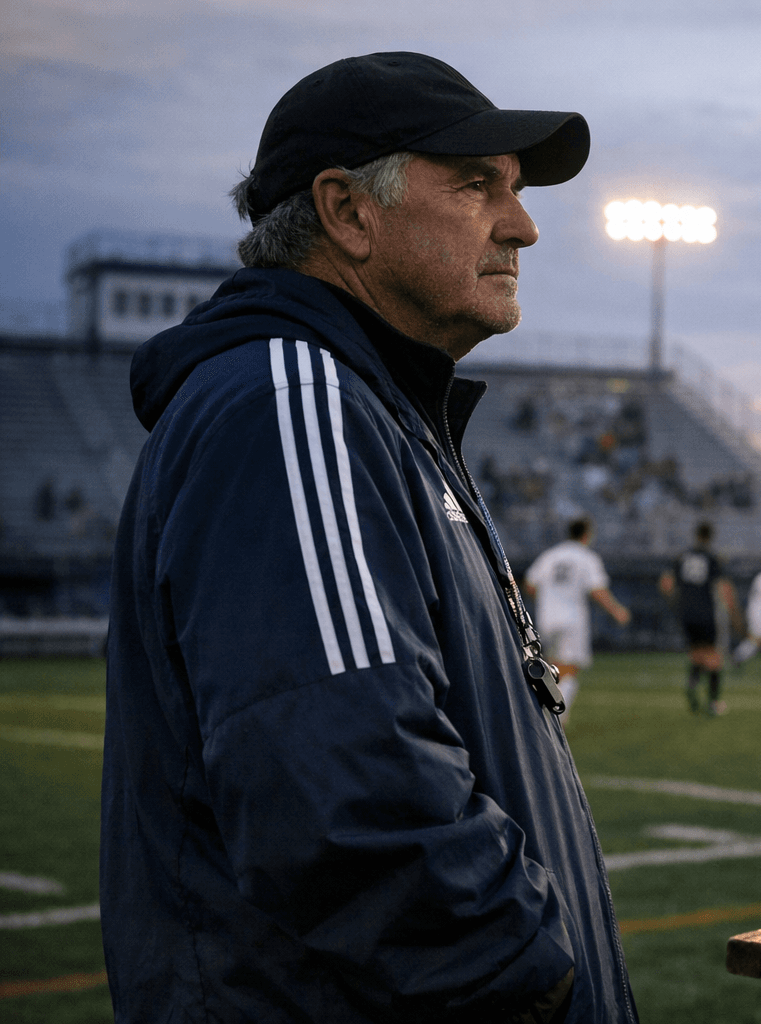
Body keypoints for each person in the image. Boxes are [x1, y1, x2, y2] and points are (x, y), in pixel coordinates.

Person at [101, 53, 637, 1022]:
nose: (523, 224)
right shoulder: (288, 403)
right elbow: (349, 796)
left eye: (513, 190)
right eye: (478, 185)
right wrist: (530, 977)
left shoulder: (370, 410)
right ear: (348, 212)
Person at [524, 516, 631, 723]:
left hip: (547, 618)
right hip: (572, 619)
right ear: (586, 534)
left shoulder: (550, 555)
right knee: (570, 670)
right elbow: (598, 590)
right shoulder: (586, 557)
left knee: (553, 667)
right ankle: (556, 718)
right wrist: (617, 611)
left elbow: (529, 585)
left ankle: (544, 712)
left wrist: (548, 599)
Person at [658, 521, 740, 715]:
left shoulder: (682, 557)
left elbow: (666, 584)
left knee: (696, 654)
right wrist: (734, 613)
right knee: (713, 657)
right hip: (705, 612)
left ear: (695, 535)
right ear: (711, 537)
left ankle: (692, 684)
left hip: (686, 613)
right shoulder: (712, 558)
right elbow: (724, 588)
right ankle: (714, 703)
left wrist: (675, 602)